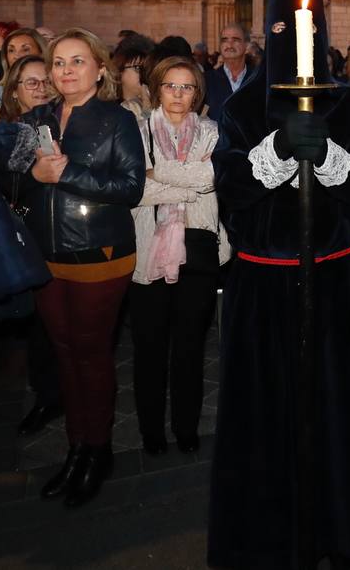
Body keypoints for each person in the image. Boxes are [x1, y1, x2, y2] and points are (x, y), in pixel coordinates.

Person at [208, 0, 350, 568]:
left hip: (335, 286)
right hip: (266, 290)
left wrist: (332, 159)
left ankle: (337, 529)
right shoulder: (245, 105)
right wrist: (281, 152)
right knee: (270, 421)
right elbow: (235, 197)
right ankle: (271, 534)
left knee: (333, 419)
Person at [0, 27, 145, 508]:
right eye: (59, 63)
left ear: (99, 68)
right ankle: (76, 446)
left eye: (77, 61)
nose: (66, 70)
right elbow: (10, 183)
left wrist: (68, 172)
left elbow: (130, 188)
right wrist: (4, 154)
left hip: (100, 254)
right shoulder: (38, 118)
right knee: (65, 352)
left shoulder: (117, 119)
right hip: (47, 253)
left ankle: (98, 449)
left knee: (90, 352)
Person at [129, 57, 228, 455]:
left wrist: (159, 175)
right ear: (157, 88)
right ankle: (151, 432)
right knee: (149, 349)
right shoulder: (135, 132)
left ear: (197, 93)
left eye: (187, 87)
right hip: (146, 249)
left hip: (200, 250)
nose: (178, 94)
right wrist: (187, 183)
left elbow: (212, 177)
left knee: (189, 347)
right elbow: (135, 188)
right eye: (171, 86)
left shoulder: (212, 132)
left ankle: (186, 428)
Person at [0, 55, 64, 436]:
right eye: (30, 83)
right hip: (27, 235)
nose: (40, 88)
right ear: (15, 91)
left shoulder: (61, 122)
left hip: (61, 233)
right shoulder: (5, 131)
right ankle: (46, 395)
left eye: (45, 81)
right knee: (39, 322)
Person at [204, 24, 256, 119]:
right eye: (224, 40)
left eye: (235, 40)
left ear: (247, 46)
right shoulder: (206, 80)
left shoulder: (258, 79)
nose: (229, 45)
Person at [114, 32, 157, 120]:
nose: (144, 75)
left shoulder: (156, 105)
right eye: (137, 68)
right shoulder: (110, 107)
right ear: (120, 70)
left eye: (147, 69)